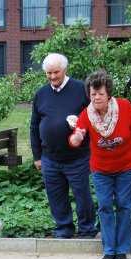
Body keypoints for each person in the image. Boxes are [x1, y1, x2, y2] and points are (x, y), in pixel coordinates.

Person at [68, 70, 131, 259]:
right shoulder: (86, 114)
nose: (96, 97)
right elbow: (78, 134)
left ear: (109, 94)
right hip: (101, 169)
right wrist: (76, 137)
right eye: (93, 94)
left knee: (124, 205)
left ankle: (122, 249)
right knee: (105, 206)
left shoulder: (124, 107)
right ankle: (109, 249)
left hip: (127, 166)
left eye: (100, 94)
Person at [30, 53, 97, 239]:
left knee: (82, 196)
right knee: (56, 196)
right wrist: (37, 156)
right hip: (49, 157)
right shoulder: (41, 94)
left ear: (65, 70)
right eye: (48, 73)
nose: (52, 77)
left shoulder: (80, 89)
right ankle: (64, 229)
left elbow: (94, 118)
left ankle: (87, 230)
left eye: (56, 72)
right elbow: (34, 125)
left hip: (78, 157)